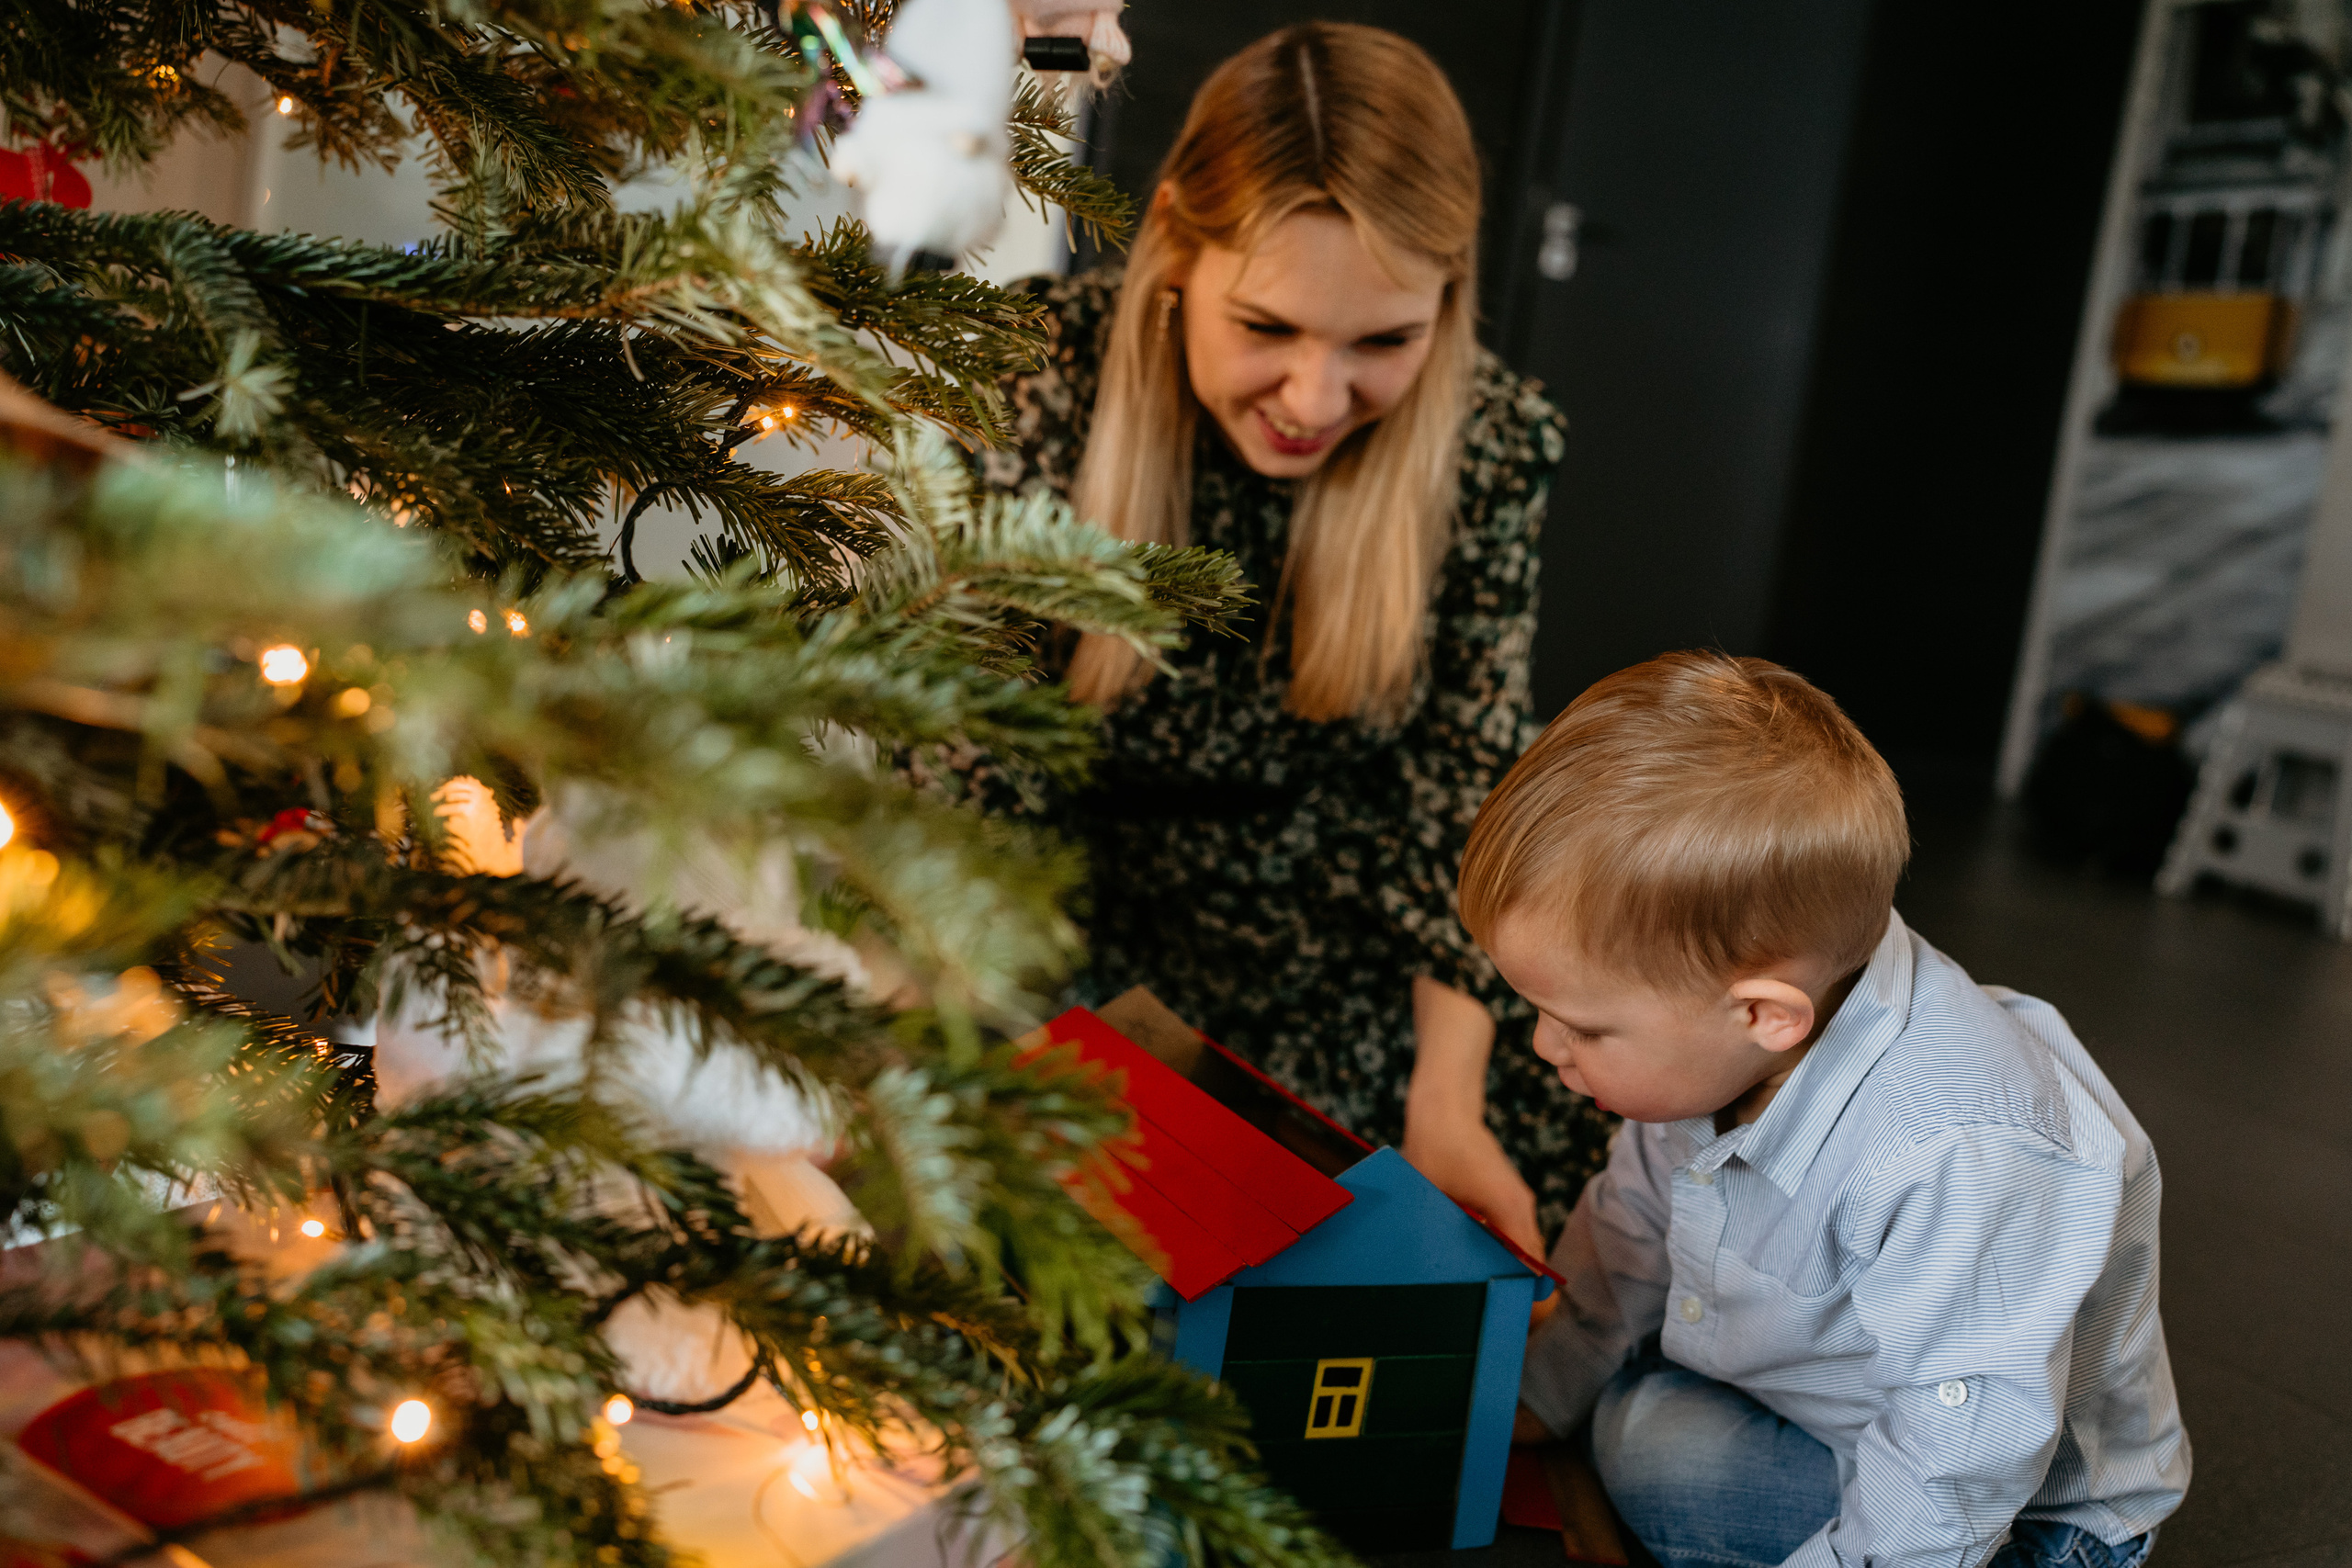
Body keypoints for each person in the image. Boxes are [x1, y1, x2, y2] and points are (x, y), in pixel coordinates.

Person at [930, 21, 1612, 1248]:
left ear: (1448, 300)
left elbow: (1459, 790)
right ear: (1179, 245)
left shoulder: (1492, 442)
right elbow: (978, 781)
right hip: (1068, 952)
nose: (1314, 400)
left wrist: (1444, 1101)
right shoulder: (1036, 381)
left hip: (1358, 977)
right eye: (1268, 328)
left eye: (1384, 343)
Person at [1458, 652, 2189, 1568]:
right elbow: (1633, 1225)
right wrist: (1539, 1392)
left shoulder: (1958, 1154)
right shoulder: (1724, 1027)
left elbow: (1959, 1461)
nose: (1541, 1046)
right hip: (1840, 1416)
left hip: (2014, 1513)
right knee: (1636, 1422)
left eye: (1581, 1027)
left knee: (1650, 1448)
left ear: (1765, 1015)